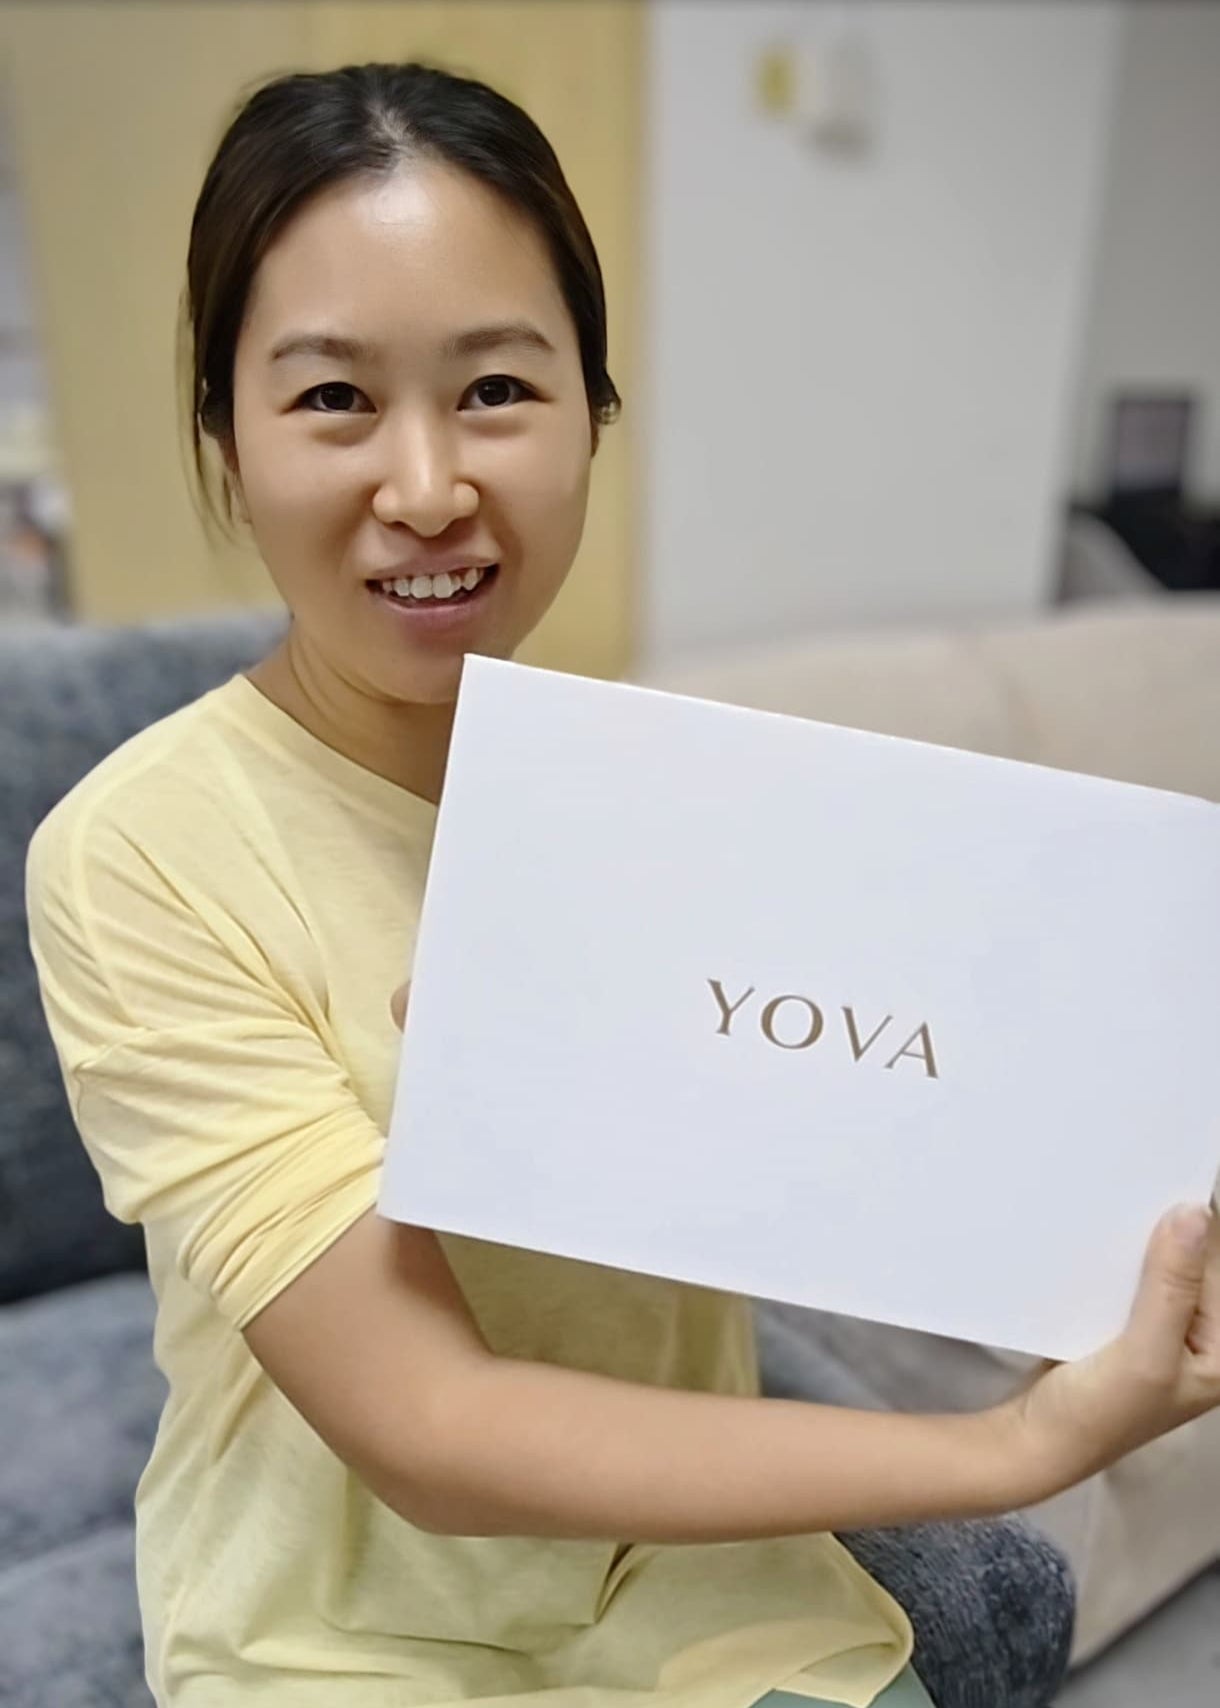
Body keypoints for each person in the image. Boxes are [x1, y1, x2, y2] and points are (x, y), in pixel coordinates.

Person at [25, 61, 1219, 1708]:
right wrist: (1012, 1446)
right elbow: (429, 1431)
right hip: (341, 1642)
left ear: (594, 412)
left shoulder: (677, 803)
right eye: (332, 399)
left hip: (712, 1605)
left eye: (498, 390)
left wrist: (1084, 1255)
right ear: (223, 433)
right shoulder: (137, 857)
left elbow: (865, 1144)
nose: (430, 485)